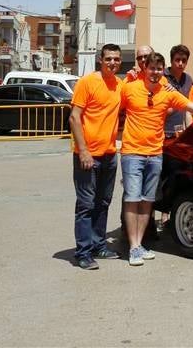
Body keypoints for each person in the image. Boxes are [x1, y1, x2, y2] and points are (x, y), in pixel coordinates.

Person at [120, 52, 193, 266]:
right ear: (144, 68)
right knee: (132, 199)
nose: (155, 72)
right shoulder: (129, 88)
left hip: (155, 154)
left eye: (158, 69)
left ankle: (139, 244)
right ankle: (134, 247)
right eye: (152, 68)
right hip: (132, 153)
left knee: (147, 200)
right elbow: (112, 109)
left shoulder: (167, 92)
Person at [68, 43, 123, 270]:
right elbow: (74, 117)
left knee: (103, 202)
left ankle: (99, 245)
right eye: (108, 58)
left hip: (110, 154)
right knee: (86, 204)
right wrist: (83, 151)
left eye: (116, 59)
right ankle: (83, 252)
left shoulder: (120, 85)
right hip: (88, 155)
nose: (112, 63)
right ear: (101, 59)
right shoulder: (87, 82)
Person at [156, 44, 193, 233]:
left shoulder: (188, 80)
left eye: (184, 60)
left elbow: (190, 107)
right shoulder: (162, 78)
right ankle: (150, 220)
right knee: (156, 178)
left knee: (173, 178)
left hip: (179, 138)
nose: (180, 64)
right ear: (171, 61)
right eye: (177, 60)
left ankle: (166, 214)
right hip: (161, 135)